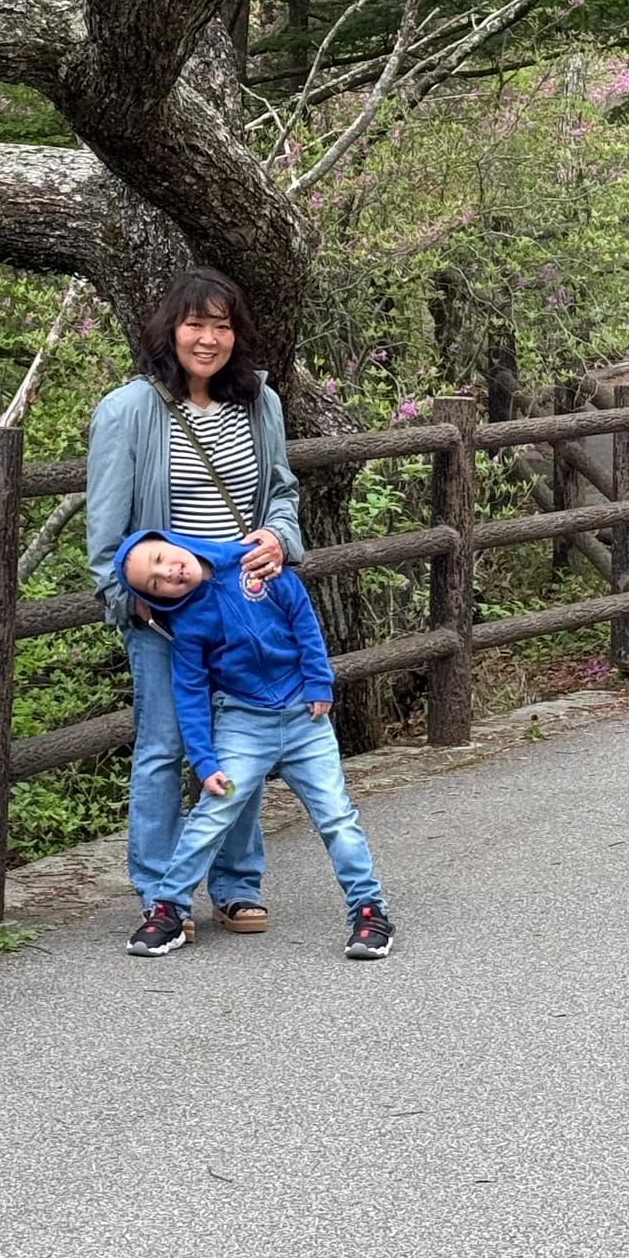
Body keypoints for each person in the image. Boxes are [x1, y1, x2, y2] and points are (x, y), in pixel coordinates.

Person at [84, 269, 304, 937]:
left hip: (246, 605)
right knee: (163, 746)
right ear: (168, 331)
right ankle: (161, 894)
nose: (208, 338)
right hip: (168, 612)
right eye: (195, 324)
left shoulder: (260, 401)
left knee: (239, 744)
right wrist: (130, 599)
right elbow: (106, 530)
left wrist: (278, 537)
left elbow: (283, 494)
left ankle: (235, 886)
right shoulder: (128, 409)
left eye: (222, 324)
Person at [116, 530, 393, 961]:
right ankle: (169, 908)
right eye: (155, 583)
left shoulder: (252, 562)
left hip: (306, 717)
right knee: (214, 810)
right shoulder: (187, 622)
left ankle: (369, 910)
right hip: (243, 723)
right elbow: (190, 693)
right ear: (160, 600)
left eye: (159, 557)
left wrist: (319, 680)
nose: (167, 572)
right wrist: (205, 763)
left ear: (172, 542)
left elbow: (300, 612)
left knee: (336, 815)